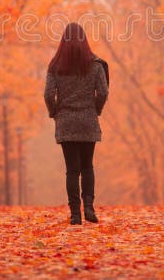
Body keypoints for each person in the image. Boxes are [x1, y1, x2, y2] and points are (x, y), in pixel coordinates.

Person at [44, 23, 109, 225]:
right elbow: (103, 92)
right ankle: (89, 207)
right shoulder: (96, 65)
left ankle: (75, 214)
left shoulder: (55, 66)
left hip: (66, 122)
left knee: (72, 169)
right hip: (88, 120)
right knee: (87, 166)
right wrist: (95, 109)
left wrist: (54, 112)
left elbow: (48, 94)